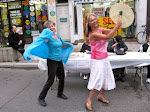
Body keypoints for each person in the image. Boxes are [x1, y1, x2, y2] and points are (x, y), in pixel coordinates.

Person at [84, 13, 122, 111]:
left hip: (104, 58)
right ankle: (88, 100)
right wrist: (116, 26)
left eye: (95, 19)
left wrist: (117, 26)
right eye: (92, 20)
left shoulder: (100, 29)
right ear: (88, 23)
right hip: (96, 60)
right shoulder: (92, 34)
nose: (94, 21)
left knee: (107, 78)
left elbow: (110, 32)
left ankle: (100, 96)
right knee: (97, 81)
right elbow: (108, 37)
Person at [38, 20, 72, 106]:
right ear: (47, 29)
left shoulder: (57, 36)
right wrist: (46, 37)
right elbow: (42, 43)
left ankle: (60, 93)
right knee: (50, 80)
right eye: (50, 27)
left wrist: (70, 45)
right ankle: (41, 97)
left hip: (59, 60)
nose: (53, 28)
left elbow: (62, 45)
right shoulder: (48, 38)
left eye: (53, 26)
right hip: (52, 61)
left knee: (62, 78)